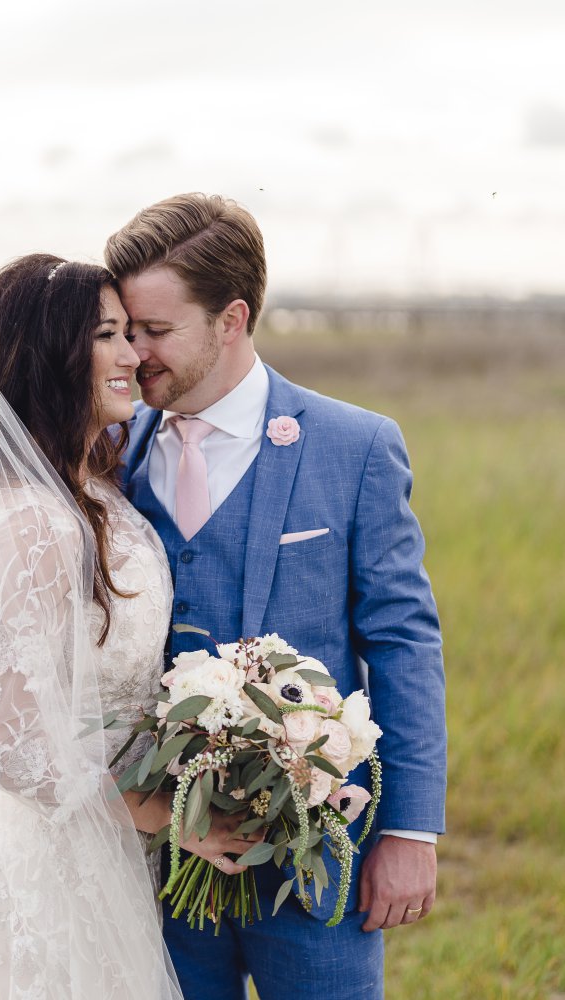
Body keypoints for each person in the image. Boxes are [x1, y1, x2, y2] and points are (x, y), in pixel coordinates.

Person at [110, 193, 445, 999]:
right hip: (152, 853)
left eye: (156, 331)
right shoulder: (110, 448)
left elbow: (402, 640)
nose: (133, 353)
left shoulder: (354, 446)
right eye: (126, 330)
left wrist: (407, 829)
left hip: (313, 852)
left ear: (232, 318)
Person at [0, 254, 255, 998]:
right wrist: (165, 815)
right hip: (50, 856)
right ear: (53, 356)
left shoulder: (90, 489)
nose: (132, 356)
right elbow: (7, 745)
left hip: (104, 843)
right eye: (107, 336)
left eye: (132, 332)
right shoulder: (34, 522)